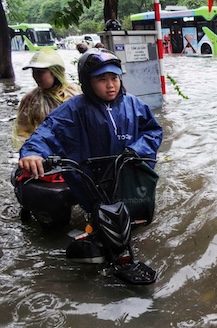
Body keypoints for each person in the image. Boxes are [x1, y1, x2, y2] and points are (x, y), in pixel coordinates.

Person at [18, 48, 163, 224]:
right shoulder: (74, 108)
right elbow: (48, 131)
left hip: (127, 175)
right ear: (87, 82)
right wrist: (33, 153)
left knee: (136, 220)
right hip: (91, 180)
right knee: (97, 220)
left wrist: (136, 149)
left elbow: (153, 131)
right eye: (102, 79)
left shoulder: (133, 104)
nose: (110, 85)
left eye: (114, 78)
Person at [12, 47, 81, 150]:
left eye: (40, 72)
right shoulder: (30, 99)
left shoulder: (75, 93)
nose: (35, 76)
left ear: (55, 72)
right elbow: (22, 133)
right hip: (45, 152)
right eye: (34, 72)